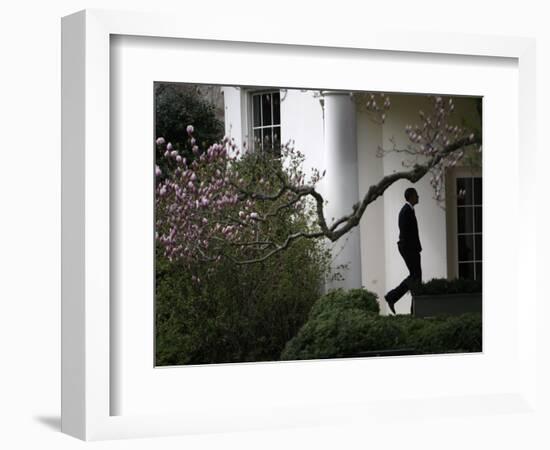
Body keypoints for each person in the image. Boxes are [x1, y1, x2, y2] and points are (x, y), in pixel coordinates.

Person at [384, 187, 422, 315]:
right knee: (415, 277)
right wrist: (413, 250)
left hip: (411, 248)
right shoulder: (406, 211)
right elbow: (405, 234)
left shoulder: (409, 210)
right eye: (416, 195)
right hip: (409, 249)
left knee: (416, 278)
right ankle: (392, 297)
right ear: (411, 196)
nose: (418, 197)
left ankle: (414, 309)